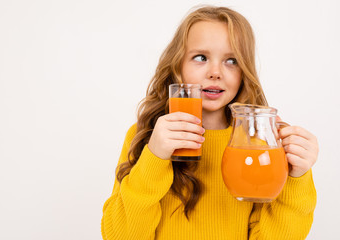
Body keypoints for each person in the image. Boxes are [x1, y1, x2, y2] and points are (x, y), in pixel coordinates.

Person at [101, 6, 318, 240]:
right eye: (201, 57)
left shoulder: (261, 145)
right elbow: (119, 235)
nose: (215, 72)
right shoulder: (146, 136)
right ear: (177, 66)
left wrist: (297, 176)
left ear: (245, 72)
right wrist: (155, 156)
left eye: (232, 60)